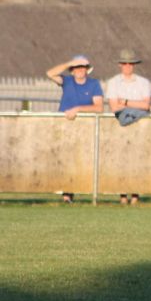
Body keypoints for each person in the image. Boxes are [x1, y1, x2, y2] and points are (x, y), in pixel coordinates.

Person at [45, 55, 104, 202]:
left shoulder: (94, 84)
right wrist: (69, 63)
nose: (80, 70)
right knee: (64, 159)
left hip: (84, 127)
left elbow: (99, 107)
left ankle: (82, 191)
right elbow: (50, 74)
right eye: (77, 67)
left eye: (82, 67)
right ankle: (66, 193)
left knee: (80, 159)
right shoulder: (67, 81)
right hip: (64, 126)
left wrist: (78, 109)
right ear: (72, 69)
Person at [106, 49, 151, 203]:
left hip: (139, 127)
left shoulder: (144, 82)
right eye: (125, 63)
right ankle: (123, 195)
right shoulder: (113, 82)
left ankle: (135, 195)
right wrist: (135, 106)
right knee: (121, 160)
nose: (128, 66)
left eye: (131, 63)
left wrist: (125, 102)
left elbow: (146, 105)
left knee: (138, 160)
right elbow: (113, 107)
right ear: (120, 65)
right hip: (121, 127)